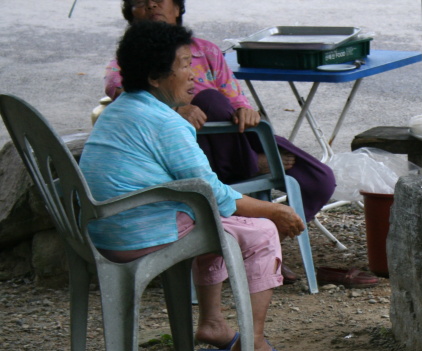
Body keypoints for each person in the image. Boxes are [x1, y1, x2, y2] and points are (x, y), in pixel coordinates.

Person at [81, 20, 306, 351]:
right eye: (185, 65)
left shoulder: (118, 111)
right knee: (260, 231)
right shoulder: (165, 124)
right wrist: (274, 211)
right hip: (139, 233)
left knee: (211, 220)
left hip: (105, 228)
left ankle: (214, 324)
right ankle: (257, 347)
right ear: (156, 77)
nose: (193, 75)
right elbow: (214, 194)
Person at [104, 0, 337, 283]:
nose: (151, 5)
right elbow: (128, 95)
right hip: (191, 152)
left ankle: (262, 246)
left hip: (232, 134)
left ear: (178, 8)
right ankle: (253, 177)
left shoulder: (207, 50)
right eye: (140, 2)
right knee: (210, 100)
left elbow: (234, 95)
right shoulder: (129, 73)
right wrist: (177, 110)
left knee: (318, 177)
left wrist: (242, 108)